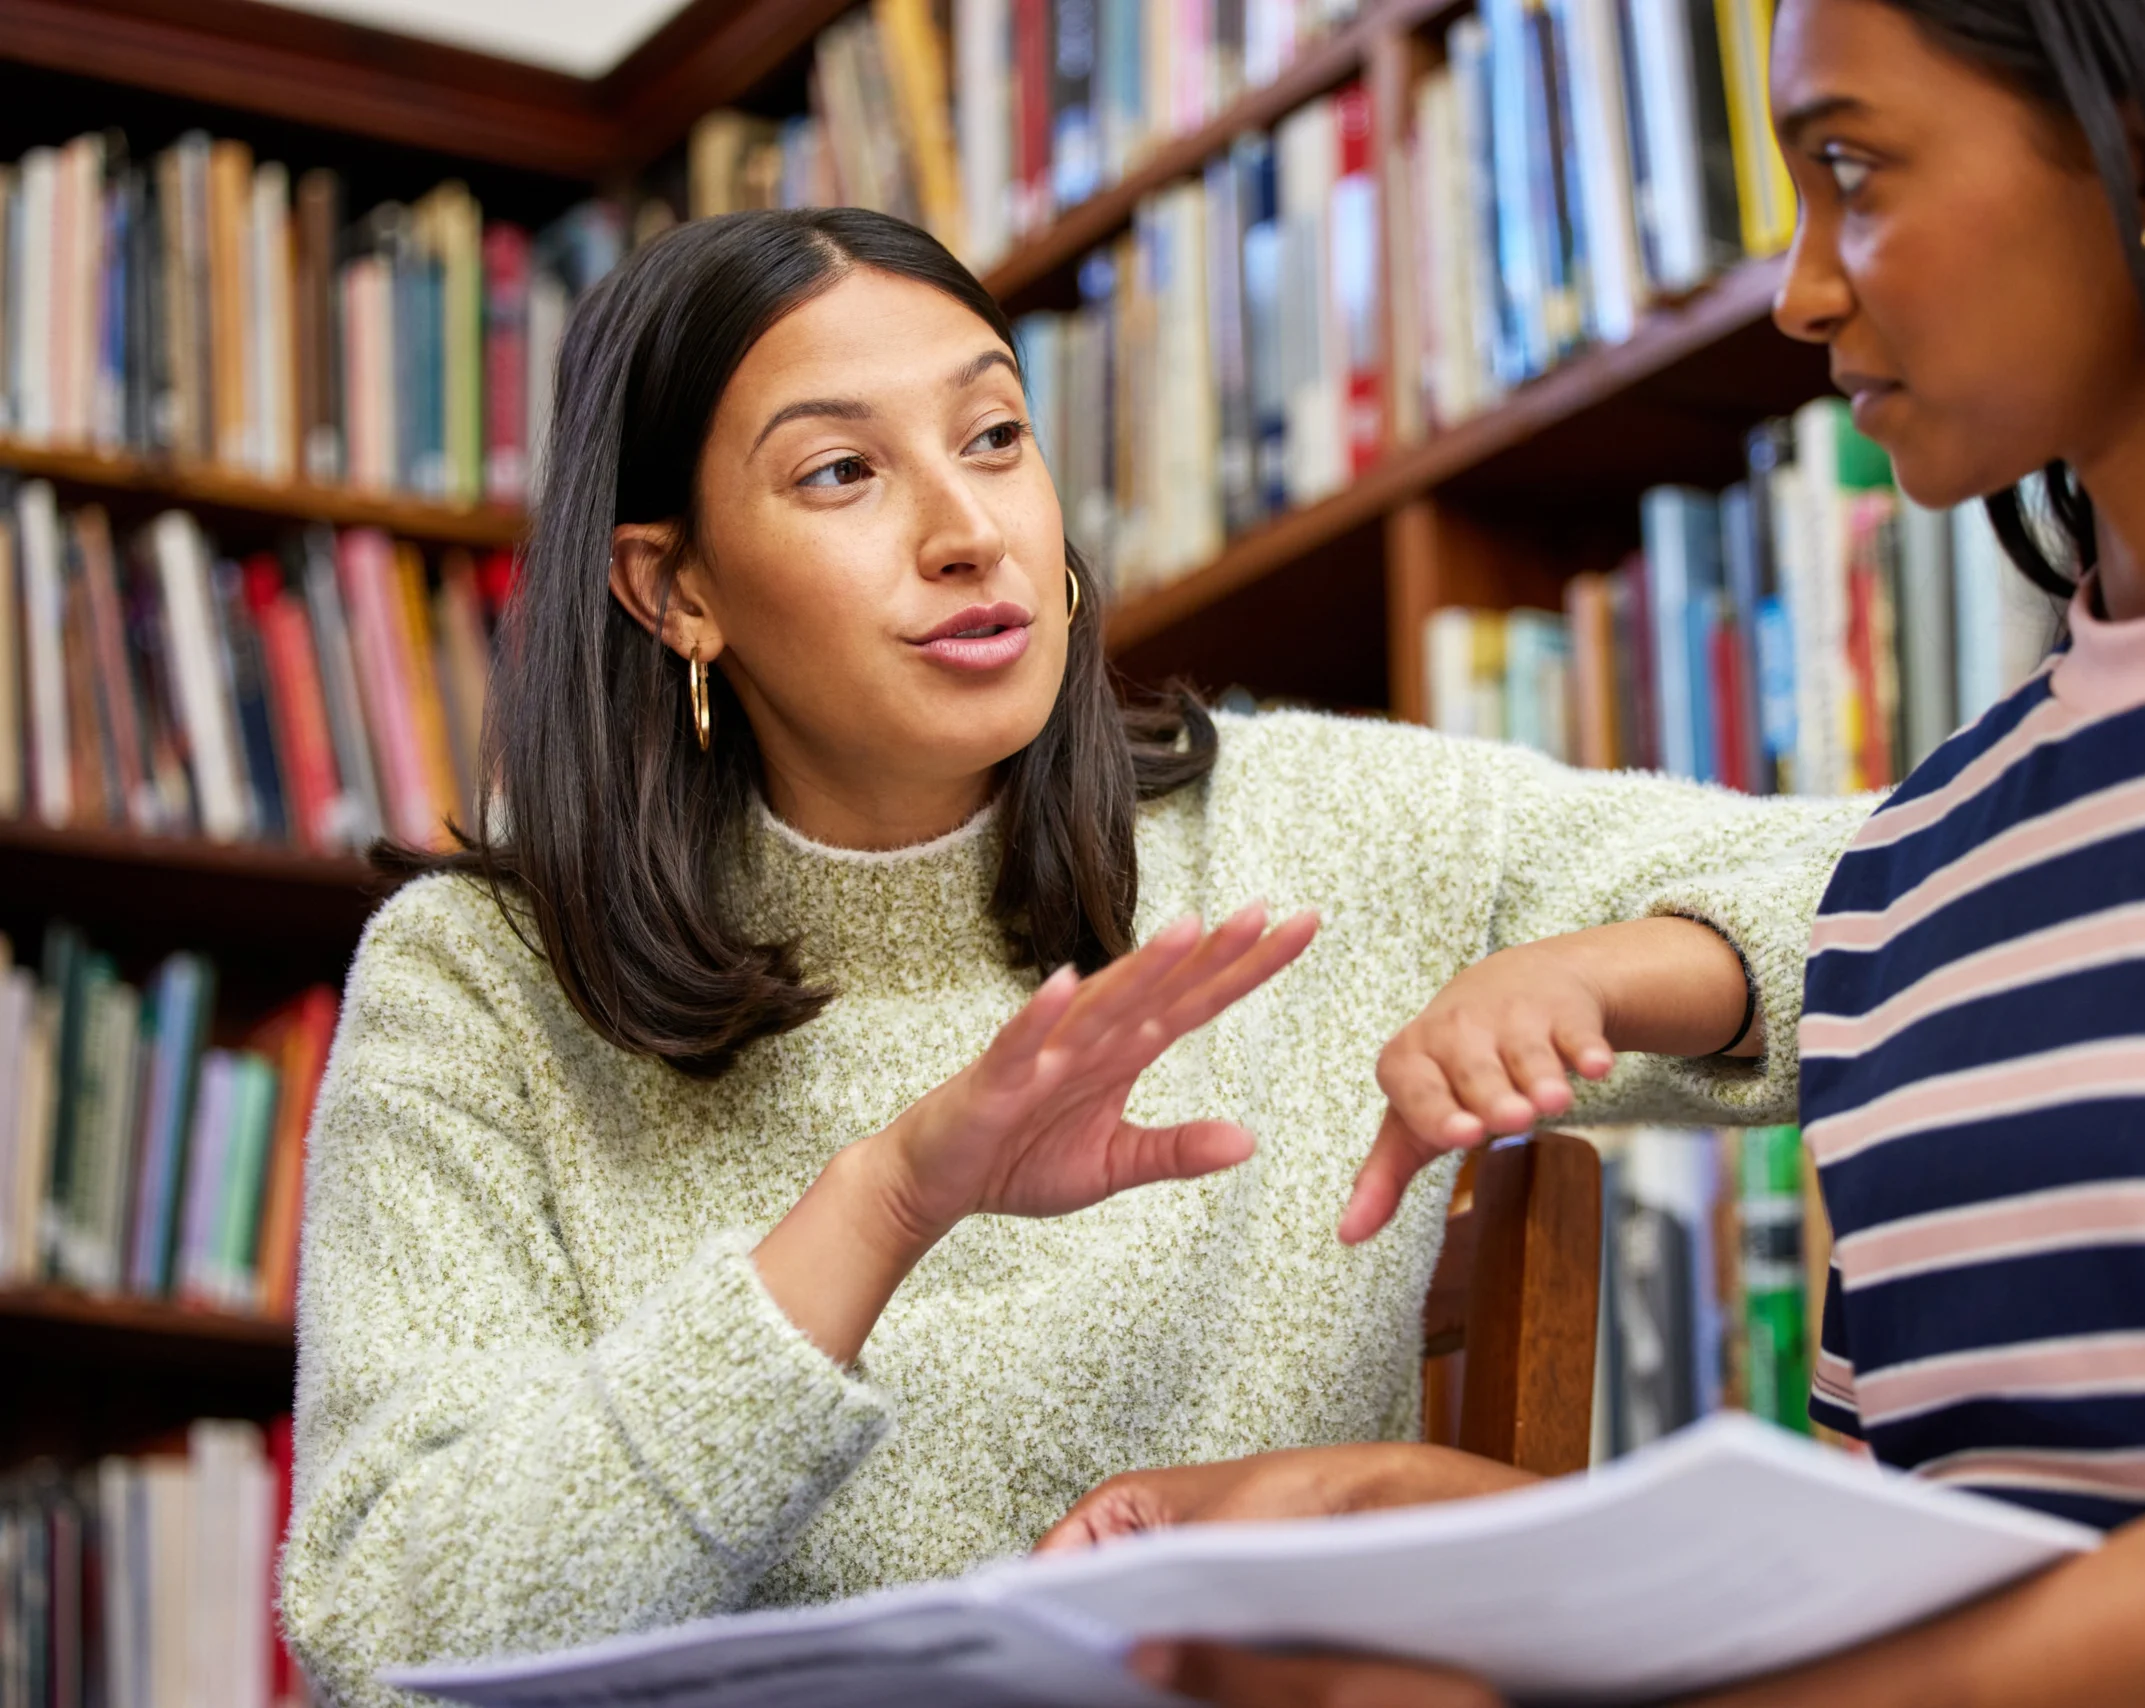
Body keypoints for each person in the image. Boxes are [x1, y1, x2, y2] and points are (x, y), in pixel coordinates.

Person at [1044, 1, 2145, 1704]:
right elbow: (1915, 1557)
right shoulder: (1918, 860)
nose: (1798, 290)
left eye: (1853, 171)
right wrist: (1373, 1517)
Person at [274, 207, 1866, 1705]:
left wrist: (1635, 969)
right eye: (842, 473)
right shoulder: (482, 984)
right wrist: (886, 1204)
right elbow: (391, 1632)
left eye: (995, 438)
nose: (971, 532)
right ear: (674, 587)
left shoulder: (1311, 832)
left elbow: (1926, 892)